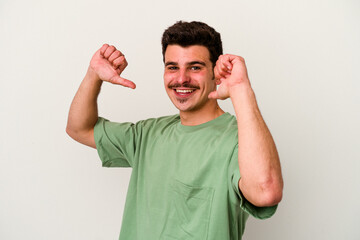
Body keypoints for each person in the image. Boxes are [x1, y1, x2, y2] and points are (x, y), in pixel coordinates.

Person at [66, 21, 283, 240]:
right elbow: (79, 128)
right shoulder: (147, 135)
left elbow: (266, 192)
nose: (181, 78)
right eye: (172, 67)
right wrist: (93, 75)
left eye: (195, 67)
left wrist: (240, 90)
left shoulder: (239, 140)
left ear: (215, 73)